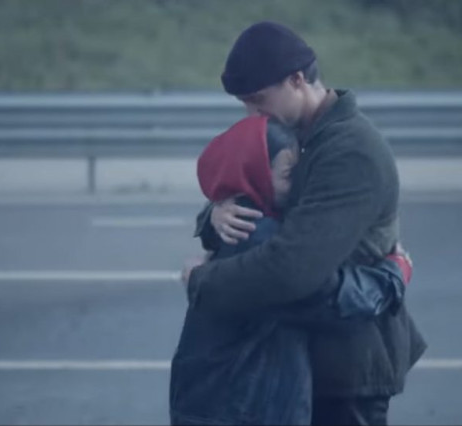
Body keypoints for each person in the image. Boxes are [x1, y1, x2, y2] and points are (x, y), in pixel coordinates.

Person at [182, 21, 427, 425]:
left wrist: (201, 282)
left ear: (297, 80)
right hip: (301, 365)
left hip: (348, 367)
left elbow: (290, 269)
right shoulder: (299, 135)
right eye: (245, 103)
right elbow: (249, 190)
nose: (253, 114)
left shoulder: (350, 149)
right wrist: (215, 215)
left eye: (258, 99)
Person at [171, 115, 412, 425]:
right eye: (288, 174)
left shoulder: (243, 217)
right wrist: (394, 274)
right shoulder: (255, 234)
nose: (299, 184)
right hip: (241, 411)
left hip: (224, 405)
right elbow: (324, 299)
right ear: (256, 174)